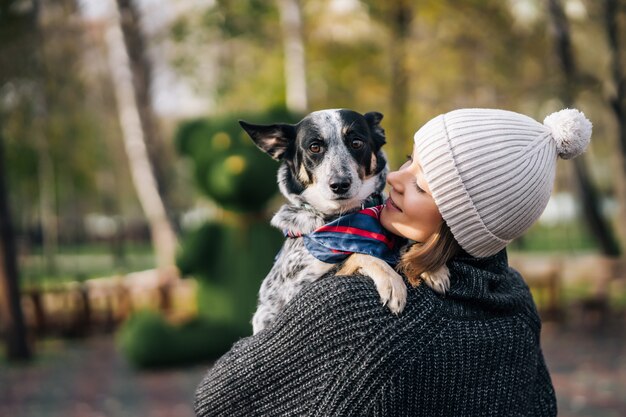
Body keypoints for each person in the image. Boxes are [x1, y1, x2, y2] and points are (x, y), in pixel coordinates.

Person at [194, 107, 592, 417]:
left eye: (421, 184)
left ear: (461, 219)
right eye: (406, 160)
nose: (395, 178)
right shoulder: (515, 300)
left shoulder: (360, 310)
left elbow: (219, 398)